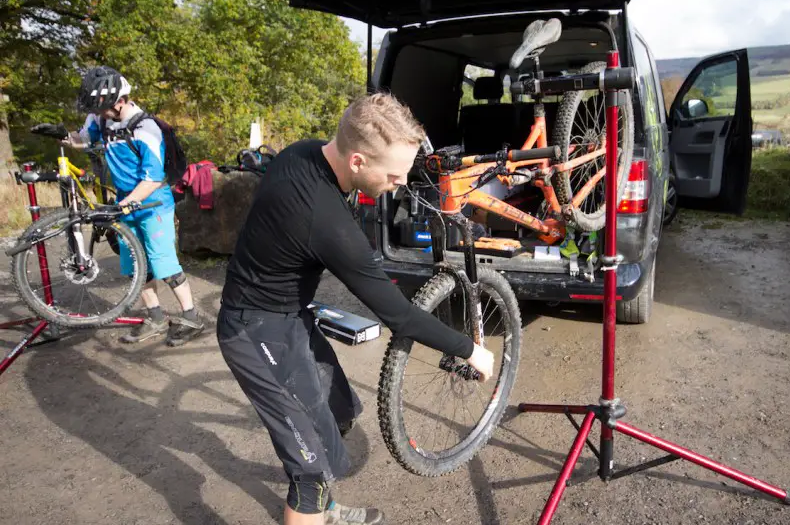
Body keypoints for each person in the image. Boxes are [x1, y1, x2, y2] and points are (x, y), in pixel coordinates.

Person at [216, 92, 495, 525]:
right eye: (395, 175)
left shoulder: (303, 152)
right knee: (312, 471)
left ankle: (323, 513)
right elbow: (399, 315)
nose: (400, 184)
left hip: (287, 316)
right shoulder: (325, 222)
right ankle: (314, 507)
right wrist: (469, 349)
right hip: (252, 331)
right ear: (359, 162)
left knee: (337, 413)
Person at [67, 65, 205, 346]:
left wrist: (127, 204)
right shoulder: (100, 118)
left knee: (164, 263)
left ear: (119, 101)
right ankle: (155, 317)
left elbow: (153, 178)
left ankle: (191, 317)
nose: (97, 114)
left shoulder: (146, 128)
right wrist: (62, 136)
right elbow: (84, 139)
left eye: (102, 108)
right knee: (136, 265)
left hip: (153, 203)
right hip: (125, 202)